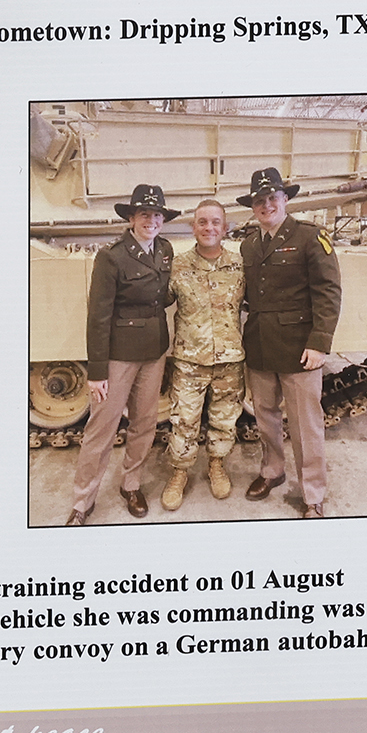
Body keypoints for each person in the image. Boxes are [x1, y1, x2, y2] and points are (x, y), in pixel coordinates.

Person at [65, 183, 175, 524]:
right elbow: (98, 315)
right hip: (119, 355)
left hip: (154, 351)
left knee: (144, 423)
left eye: (157, 215)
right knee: (102, 428)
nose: (152, 221)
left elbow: (163, 296)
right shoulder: (112, 256)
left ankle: (131, 483)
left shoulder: (165, 249)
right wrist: (97, 371)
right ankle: (83, 501)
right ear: (131, 218)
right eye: (145, 214)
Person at [238, 175, 344, 518]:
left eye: (272, 198)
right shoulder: (249, 245)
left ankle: (313, 492)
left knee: (305, 423)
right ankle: (272, 471)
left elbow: (328, 292)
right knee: (265, 417)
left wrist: (319, 343)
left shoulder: (309, 237)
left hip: (300, 348)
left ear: (285, 199)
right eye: (259, 201)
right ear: (252, 207)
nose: (266, 205)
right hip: (260, 345)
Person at [158, 197, 247, 514]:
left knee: (224, 420)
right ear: (193, 227)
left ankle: (216, 465)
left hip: (229, 361)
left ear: (225, 228)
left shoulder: (239, 266)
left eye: (215, 222)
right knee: (183, 422)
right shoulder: (177, 265)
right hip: (188, 362)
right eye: (202, 222)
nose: (209, 227)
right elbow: (157, 302)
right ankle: (179, 473)